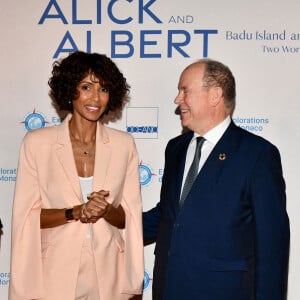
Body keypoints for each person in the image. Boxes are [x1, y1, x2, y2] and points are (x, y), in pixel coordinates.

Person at [143, 59, 290, 300]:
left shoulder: (257, 154)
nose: (177, 100)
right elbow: (170, 215)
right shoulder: (175, 149)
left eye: (185, 91)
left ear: (215, 96)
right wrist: (114, 223)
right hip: (169, 290)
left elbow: (271, 244)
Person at [9, 51, 144, 300]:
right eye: (86, 87)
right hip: (54, 271)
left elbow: (129, 218)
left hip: (109, 270)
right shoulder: (38, 143)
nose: (95, 98)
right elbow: (28, 217)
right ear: (70, 91)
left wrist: (105, 209)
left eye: (103, 89)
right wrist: (76, 212)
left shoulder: (123, 144)